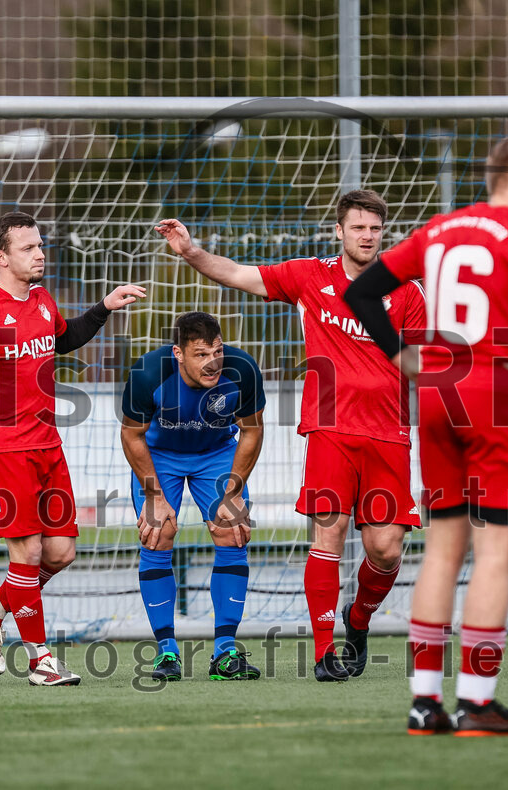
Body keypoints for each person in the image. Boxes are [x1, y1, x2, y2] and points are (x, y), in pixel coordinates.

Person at [345, 136, 508, 735]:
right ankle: (477, 701)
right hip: (495, 391)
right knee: (496, 550)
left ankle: (425, 703)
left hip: (439, 392)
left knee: (443, 549)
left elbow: (362, 292)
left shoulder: (439, 229)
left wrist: (403, 357)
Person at [156, 190, 426, 682]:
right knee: (329, 534)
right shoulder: (310, 277)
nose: (367, 236)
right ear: (339, 231)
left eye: (375, 229)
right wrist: (192, 252)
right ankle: (325, 653)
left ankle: (358, 620)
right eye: (358, 227)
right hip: (329, 431)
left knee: (386, 549)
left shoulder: (406, 290)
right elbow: (239, 275)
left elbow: (423, 361)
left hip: (389, 433)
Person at [0, 211, 145, 686]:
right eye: (28, 248)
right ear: (1, 257)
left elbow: (63, 339)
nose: (40, 253)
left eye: (40, 245)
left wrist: (104, 307)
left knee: (62, 552)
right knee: (26, 553)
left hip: (47, 444)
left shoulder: (43, 300)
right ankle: (40, 660)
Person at [122, 312, 265, 681]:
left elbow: (252, 432)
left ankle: (225, 652)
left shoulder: (242, 370)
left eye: (216, 351)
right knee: (158, 533)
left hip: (216, 452)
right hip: (160, 456)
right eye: (200, 354)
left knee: (231, 531)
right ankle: (167, 653)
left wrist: (232, 493)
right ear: (178, 353)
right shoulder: (149, 373)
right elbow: (131, 436)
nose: (212, 362)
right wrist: (154, 496)